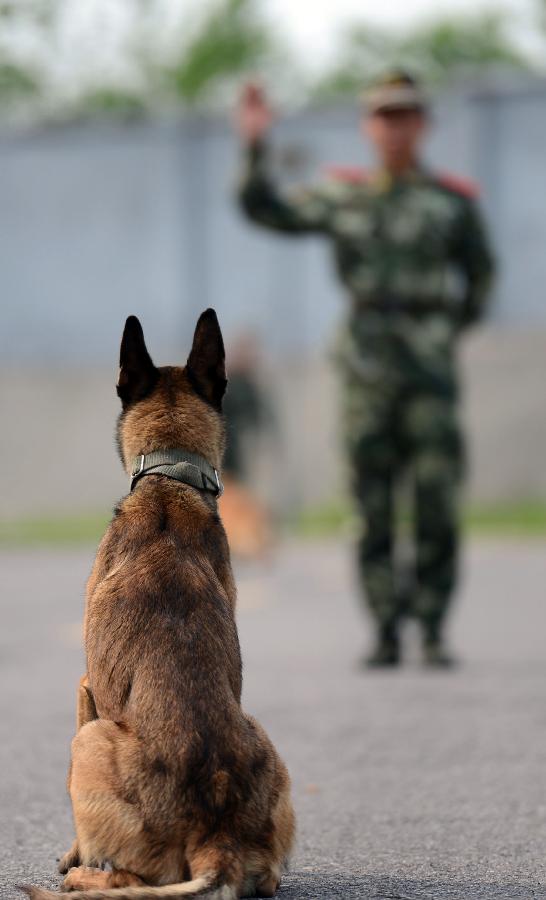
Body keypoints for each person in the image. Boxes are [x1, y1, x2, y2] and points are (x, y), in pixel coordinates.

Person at [235, 71, 495, 667]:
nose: (393, 125)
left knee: (435, 498)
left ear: (421, 124)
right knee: (371, 501)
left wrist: (447, 327)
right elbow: (265, 209)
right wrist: (254, 143)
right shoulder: (343, 195)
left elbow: (481, 275)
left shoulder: (451, 203)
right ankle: (384, 628)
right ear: (367, 126)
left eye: (404, 114)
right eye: (382, 115)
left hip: (429, 372)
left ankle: (430, 627)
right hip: (366, 370)